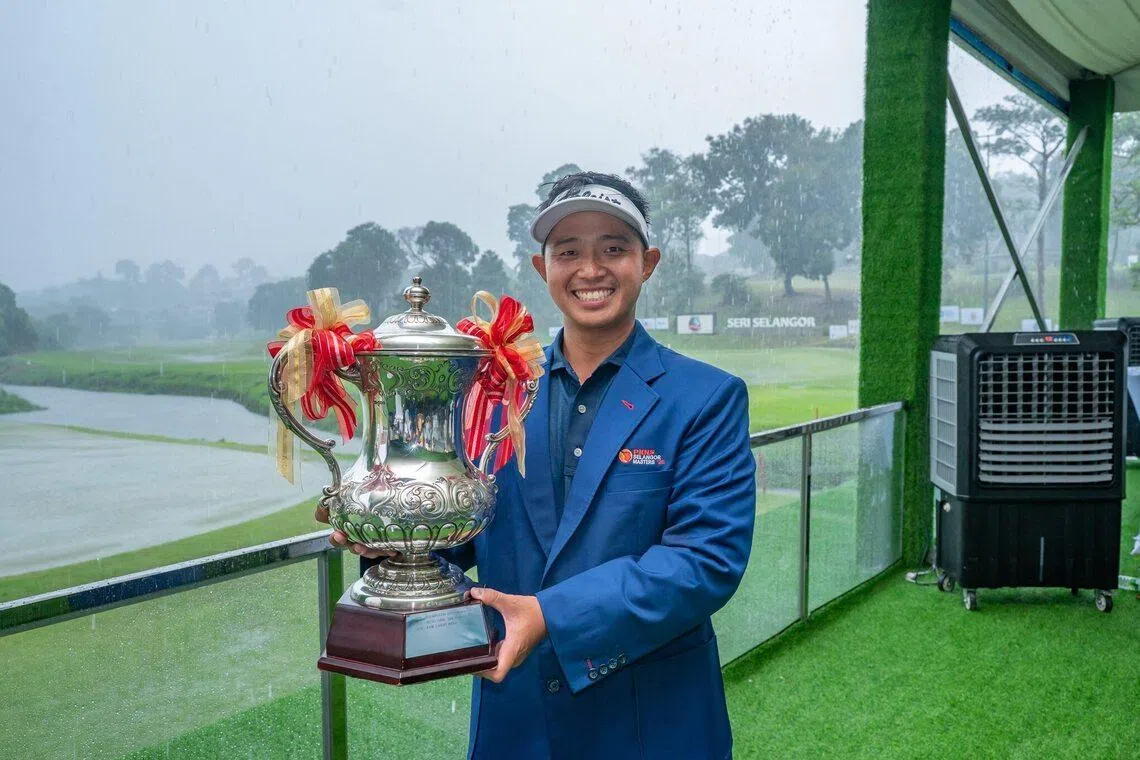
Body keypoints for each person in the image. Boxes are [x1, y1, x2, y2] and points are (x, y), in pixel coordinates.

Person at [330, 171, 756, 759]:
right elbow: (462, 529)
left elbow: (704, 560)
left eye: (614, 248)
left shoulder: (706, 397)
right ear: (542, 268)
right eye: (568, 251)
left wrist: (548, 615)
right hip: (517, 722)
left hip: (651, 719)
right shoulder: (493, 393)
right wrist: (395, 536)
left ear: (648, 262)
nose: (590, 269)